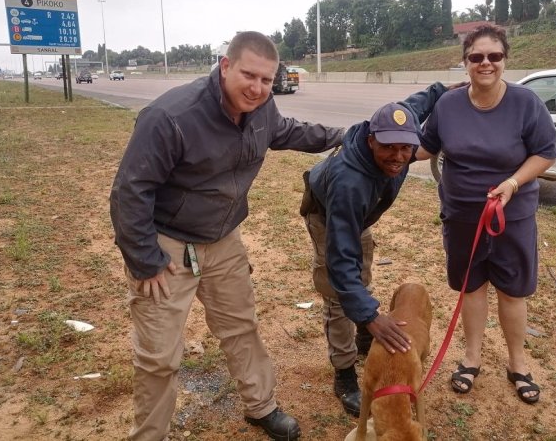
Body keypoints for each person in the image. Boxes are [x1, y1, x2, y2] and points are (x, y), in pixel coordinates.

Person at [109, 31, 344, 441]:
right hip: (166, 247)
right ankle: (150, 435)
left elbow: (289, 131)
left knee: (241, 328)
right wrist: (144, 259)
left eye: (267, 80)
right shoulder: (170, 117)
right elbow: (130, 190)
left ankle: (261, 406)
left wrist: (346, 136)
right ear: (225, 66)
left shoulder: (262, 109)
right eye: (248, 75)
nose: (257, 88)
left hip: (223, 241)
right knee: (159, 357)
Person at [417, 24, 556, 405]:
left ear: (504, 60)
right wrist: (382, 148)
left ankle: (518, 364)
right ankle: (471, 358)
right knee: (472, 287)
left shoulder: (526, 103)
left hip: (511, 216)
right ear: (465, 62)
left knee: (512, 291)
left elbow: (545, 152)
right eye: (476, 57)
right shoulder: (448, 105)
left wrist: (512, 183)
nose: (485, 63)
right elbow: (425, 147)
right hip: (462, 215)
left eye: (494, 56)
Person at [300, 83, 450, 416]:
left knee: (361, 278)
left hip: (359, 215)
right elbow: (340, 260)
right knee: (339, 294)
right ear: (371, 141)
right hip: (329, 217)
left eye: (406, 148)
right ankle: (344, 374)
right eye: (389, 148)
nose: (398, 157)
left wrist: (443, 89)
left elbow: (413, 105)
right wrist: (371, 316)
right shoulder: (349, 183)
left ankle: (364, 336)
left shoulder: (397, 130)